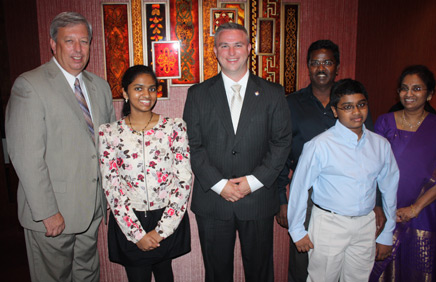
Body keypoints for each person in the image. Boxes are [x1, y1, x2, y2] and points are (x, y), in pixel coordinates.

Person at [5, 12, 115, 281]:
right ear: (54, 44)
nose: (78, 49)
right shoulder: (30, 85)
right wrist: (47, 212)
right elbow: (27, 157)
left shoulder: (100, 87)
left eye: (84, 41)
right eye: (70, 41)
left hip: (90, 210)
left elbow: (110, 146)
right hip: (53, 214)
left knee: (87, 275)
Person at [183, 23, 291, 282]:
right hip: (213, 200)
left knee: (260, 273)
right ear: (215, 51)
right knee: (217, 274)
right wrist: (220, 185)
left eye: (238, 44)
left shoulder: (273, 93)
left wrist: (251, 183)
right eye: (224, 45)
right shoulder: (198, 94)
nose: (231, 52)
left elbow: (281, 143)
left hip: (257, 199)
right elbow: (191, 145)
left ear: (249, 48)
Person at [275, 39, 386, 282]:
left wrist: (377, 202)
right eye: (315, 63)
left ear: (337, 66)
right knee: (303, 260)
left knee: (350, 267)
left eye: (327, 62)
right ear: (308, 66)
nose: (321, 68)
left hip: (349, 195)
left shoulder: (353, 103)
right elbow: (281, 152)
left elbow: (370, 158)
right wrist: (282, 200)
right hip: (305, 193)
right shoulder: (291, 104)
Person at [288, 78, 399, 282]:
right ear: (335, 111)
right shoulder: (319, 145)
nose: (356, 112)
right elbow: (299, 188)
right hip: (329, 224)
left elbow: (390, 189)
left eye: (361, 104)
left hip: (365, 224)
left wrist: (386, 233)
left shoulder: (380, 145)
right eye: (347, 107)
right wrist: (297, 230)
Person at [98, 65, 192, 282]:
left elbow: (183, 180)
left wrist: (162, 230)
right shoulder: (110, 133)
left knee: (165, 275)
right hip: (129, 219)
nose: (146, 95)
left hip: (166, 216)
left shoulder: (174, 128)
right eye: (138, 88)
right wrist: (136, 234)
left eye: (151, 89)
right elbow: (111, 185)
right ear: (125, 92)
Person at [370, 65, 436, 281]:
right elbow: (374, 167)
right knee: (382, 267)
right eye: (404, 88)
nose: (409, 94)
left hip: (424, 212)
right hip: (388, 209)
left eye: (417, 89)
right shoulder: (384, 121)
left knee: (418, 267)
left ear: (430, 94)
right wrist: (380, 206)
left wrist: (416, 208)